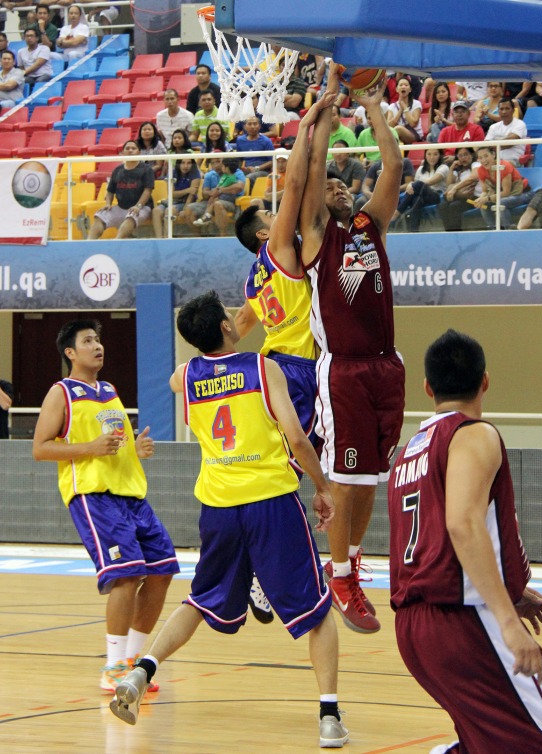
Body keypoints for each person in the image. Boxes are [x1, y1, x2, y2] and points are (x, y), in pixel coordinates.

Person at [111, 291, 347, 750]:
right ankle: (329, 716)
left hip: (218, 507)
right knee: (316, 609)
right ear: (224, 326)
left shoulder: (188, 376)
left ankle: (140, 672)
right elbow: (297, 439)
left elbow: (177, 377)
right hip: (270, 502)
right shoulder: (264, 369)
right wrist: (322, 487)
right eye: (229, 316)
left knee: (199, 600)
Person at [388, 330, 542, 754]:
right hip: (464, 623)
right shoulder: (474, 434)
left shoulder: (409, 452)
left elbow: (432, 548)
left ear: (428, 388)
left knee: (488, 743)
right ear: (485, 381)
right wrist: (506, 620)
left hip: (413, 627)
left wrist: (507, 590)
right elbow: (462, 525)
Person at [300, 67, 405, 635]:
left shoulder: (370, 227)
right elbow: (314, 171)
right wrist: (328, 108)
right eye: (332, 187)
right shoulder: (319, 235)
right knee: (345, 475)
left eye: (346, 184)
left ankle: (354, 561)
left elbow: (393, 166)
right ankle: (338, 575)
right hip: (342, 367)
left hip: (387, 363)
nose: (339, 187)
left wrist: (371, 106)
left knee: (370, 477)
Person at [231, 92, 336, 623]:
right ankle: (259, 573)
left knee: (286, 473)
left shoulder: (253, 277)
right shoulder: (275, 248)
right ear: (258, 233)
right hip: (296, 370)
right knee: (293, 477)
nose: (278, 215)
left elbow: (239, 326)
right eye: (268, 216)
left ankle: (254, 569)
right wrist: (308, 127)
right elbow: (295, 185)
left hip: (280, 367)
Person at [32, 319, 177, 694]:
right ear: (70, 352)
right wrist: (88, 449)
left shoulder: (109, 390)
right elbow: (40, 448)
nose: (98, 346)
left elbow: (117, 444)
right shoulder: (60, 393)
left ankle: (133, 664)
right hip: (95, 497)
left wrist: (136, 450)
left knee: (162, 572)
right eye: (88, 341)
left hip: (132, 495)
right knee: (126, 577)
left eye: (98, 340)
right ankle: (112, 667)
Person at [88, 140, 154, 240]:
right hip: (121, 207)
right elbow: (110, 191)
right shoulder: (117, 170)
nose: (130, 150)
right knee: (100, 215)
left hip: (142, 207)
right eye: (127, 148)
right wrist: (108, 204)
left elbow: (147, 191)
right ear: (123, 152)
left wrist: (138, 206)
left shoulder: (146, 169)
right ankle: (89, 243)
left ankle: (116, 242)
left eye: (133, 148)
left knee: (131, 217)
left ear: (139, 152)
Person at [396, 147, 449, 232]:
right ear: (425, 155)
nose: (432, 157)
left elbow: (430, 182)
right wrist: (412, 184)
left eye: (435, 154)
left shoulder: (444, 167)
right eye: (429, 154)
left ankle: (398, 211)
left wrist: (412, 184)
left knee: (419, 185)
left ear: (440, 155)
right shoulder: (421, 169)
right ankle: (413, 231)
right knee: (417, 199)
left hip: (436, 195)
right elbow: (415, 187)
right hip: (421, 196)